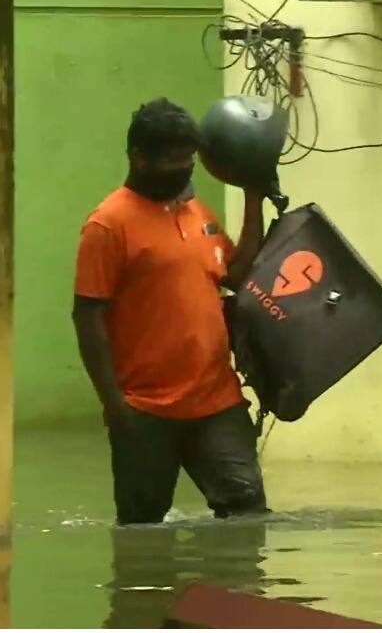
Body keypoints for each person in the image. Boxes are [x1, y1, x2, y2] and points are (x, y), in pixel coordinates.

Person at [73, 97, 268, 525]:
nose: (184, 169)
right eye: (173, 162)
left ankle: (231, 595)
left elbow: (237, 274)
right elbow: (87, 317)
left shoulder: (197, 212)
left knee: (247, 519)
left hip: (217, 402)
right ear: (139, 159)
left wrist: (254, 197)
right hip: (144, 410)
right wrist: (114, 406)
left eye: (189, 160)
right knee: (142, 532)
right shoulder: (107, 225)